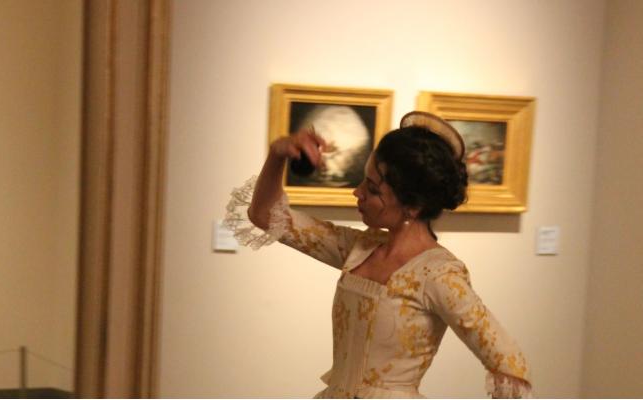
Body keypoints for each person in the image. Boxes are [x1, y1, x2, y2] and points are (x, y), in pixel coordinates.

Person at [225, 111, 533, 398]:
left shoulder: (440, 274)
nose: (357, 192)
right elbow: (265, 215)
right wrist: (277, 154)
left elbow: (509, 362)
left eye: (373, 189)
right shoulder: (360, 248)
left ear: (413, 206)